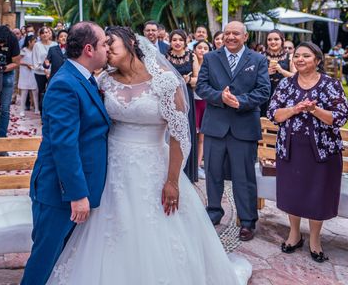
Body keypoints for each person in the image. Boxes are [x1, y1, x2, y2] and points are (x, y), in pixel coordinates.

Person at [45, 26, 252, 284]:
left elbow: (179, 135)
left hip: (153, 165)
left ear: (131, 41)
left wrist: (173, 181)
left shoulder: (165, 82)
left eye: (111, 42)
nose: (107, 49)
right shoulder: (103, 80)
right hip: (112, 168)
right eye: (104, 45)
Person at [22, 22, 111, 285]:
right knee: (44, 263)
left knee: (64, 262)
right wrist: (77, 194)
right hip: (57, 193)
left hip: (74, 189)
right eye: (104, 44)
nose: (107, 49)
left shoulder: (85, 78)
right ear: (88, 49)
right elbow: (64, 145)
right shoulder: (65, 84)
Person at [267, 42, 348, 263]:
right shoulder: (286, 84)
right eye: (297, 56)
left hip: (322, 151)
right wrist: (294, 109)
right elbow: (274, 114)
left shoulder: (331, 84)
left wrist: (314, 110)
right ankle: (294, 235)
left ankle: (314, 240)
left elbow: (340, 117)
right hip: (291, 148)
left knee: (317, 195)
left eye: (306, 56)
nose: (300, 59)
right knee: (292, 192)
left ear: (318, 60)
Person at [196, 21, 270, 242]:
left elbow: (264, 90)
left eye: (235, 33)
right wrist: (220, 97)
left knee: (244, 176)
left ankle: (247, 221)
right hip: (215, 126)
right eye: (227, 33)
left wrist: (241, 101)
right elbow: (201, 87)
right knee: (212, 172)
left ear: (245, 37)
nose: (230, 37)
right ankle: (214, 211)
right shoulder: (210, 58)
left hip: (244, 126)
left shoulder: (258, 60)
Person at [165, 29, 198, 183]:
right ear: (170, 42)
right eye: (174, 40)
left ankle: (188, 172)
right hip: (169, 97)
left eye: (180, 39)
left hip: (187, 97)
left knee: (186, 130)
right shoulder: (165, 56)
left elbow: (198, 79)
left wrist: (188, 80)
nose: (177, 42)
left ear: (185, 41)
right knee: (170, 131)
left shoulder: (192, 56)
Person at [262, 29, 295, 115]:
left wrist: (281, 71)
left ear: (282, 40)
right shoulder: (260, 56)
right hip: (264, 94)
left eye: (276, 39)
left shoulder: (290, 57)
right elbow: (252, 77)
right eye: (269, 39)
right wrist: (266, 73)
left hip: (284, 93)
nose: (273, 42)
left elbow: (296, 76)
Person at [192, 39, 212, 180]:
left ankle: (198, 166)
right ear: (195, 50)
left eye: (205, 48)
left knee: (202, 138)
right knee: (192, 135)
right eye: (199, 47)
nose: (202, 50)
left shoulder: (212, 65)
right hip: (193, 102)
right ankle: (189, 165)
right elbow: (196, 80)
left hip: (205, 102)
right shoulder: (190, 62)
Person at [33, 27, 56, 113]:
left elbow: (56, 60)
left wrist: (51, 70)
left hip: (52, 73)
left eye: (46, 32)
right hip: (40, 73)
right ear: (40, 35)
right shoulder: (37, 45)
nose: (45, 34)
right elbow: (35, 61)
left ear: (49, 34)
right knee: (42, 92)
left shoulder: (54, 44)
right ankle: (42, 112)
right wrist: (44, 70)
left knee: (52, 92)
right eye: (42, 33)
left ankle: (51, 111)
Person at [18, 35, 39, 117]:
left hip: (34, 72)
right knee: (24, 92)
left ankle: (37, 108)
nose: (35, 43)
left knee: (35, 91)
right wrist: (27, 64)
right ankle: (22, 110)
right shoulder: (23, 50)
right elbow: (17, 61)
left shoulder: (36, 50)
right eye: (34, 41)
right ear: (29, 42)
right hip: (25, 73)